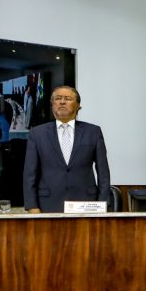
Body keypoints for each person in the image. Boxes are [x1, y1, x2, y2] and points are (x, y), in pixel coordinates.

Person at [23, 85, 110, 213]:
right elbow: (30, 173)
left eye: (68, 99)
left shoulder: (93, 132)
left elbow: (103, 173)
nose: (62, 102)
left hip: (86, 204)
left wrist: (103, 204)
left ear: (78, 106)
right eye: (58, 98)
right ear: (52, 105)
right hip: (47, 204)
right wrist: (31, 206)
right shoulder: (37, 133)